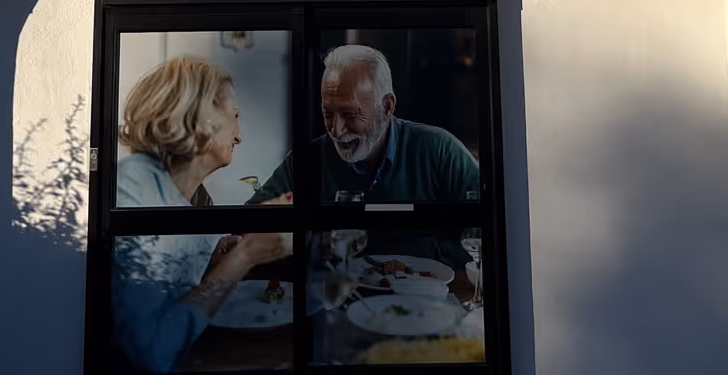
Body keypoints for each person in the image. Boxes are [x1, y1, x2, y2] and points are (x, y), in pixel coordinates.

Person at [111, 55, 293, 372]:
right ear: (202, 117)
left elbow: (175, 290)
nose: (239, 136)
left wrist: (212, 261)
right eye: (234, 116)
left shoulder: (198, 198)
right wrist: (245, 255)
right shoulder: (133, 185)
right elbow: (151, 353)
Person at [252, 45, 479, 205]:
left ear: (387, 107)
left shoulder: (440, 151)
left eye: (350, 114)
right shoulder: (306, 160)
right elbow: (250, 224)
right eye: (328, 114)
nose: (336, 131)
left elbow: (492, 222)